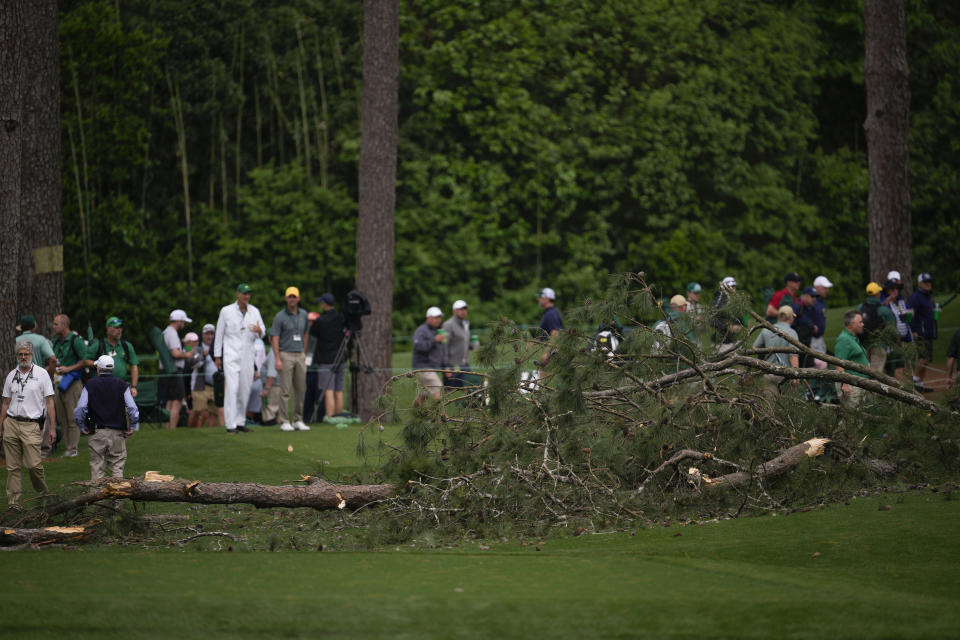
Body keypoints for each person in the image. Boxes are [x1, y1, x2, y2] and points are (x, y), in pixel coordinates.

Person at [1, 341, 55, 511]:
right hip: (11, 422)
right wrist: (1, 425)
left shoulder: (42, 374)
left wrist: (52, 427)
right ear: (16, 356)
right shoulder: (11, 375)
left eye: (26, 354)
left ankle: (44, 494)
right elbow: (5, 403)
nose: (23, 357)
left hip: (31, 425)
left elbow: (50, 402)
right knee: (13, 467)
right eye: (20, 354)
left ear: (32, 355)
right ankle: (14, 503)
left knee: (33, 465)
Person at [75, 355, 139, 480]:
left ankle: (97, 498)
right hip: (117, 432)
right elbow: (132, 408)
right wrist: (132, 425)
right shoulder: (122, 385)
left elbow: (81, 408)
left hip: (97, 431)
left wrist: (81, 425)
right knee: (117, 467)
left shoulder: (90, 385)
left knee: (97, 468)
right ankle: (117, 498)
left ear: (98, 368)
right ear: (113, 368)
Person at [214, 283, 266, 433]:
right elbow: (219, 334)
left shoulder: (255, 311)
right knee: (232, 388)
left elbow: (262, 331)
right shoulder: (226, 311)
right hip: (231, 355)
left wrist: (259, 330)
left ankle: (240, 422)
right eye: (244, 294)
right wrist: (218, 355)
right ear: (238, 294)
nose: (246, 297)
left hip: (248, 356)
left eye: (248, 294)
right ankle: (230, 425)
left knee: (245, 389)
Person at [50, 314, 91, 457]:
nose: (53, 327)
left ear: (64, 325)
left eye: (56, 324)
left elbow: (86, 360)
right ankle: (68, 447)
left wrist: (70, 368)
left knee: (72, 416)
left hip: (72, 383)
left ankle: (73, 448)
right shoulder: (56, 342)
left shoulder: (75, 340)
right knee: (61, 417)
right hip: (58, 382)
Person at [271, 286, 310, 431]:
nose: (292, 299)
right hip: (285, 354)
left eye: (294, 296)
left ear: (298, 298)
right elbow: (275, 337)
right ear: (286, 299)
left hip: (300, 354)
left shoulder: (304, 314)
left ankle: (298, 420)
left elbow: (306, 333)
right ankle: (284, 421)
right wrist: (277, 358)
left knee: (301, 389)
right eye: (290, 297)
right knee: (285, 389)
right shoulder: (280, 316)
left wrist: (303, 352)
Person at [309, 293, 346, 420]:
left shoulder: (321, 321)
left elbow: (313, 333)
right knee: (339, 390)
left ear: (325, 304)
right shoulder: (341, 318)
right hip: (340, 358)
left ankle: (330, 416)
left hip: (326, 359)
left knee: (328, 390)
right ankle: (339, 415)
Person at [752, 306, 800, 396]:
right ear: (790, 317)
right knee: (785, 406)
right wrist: (796, 376)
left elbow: (754, 348)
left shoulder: (766, 330)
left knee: (769, 406)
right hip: (786, 375)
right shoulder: (792, 333)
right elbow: (793, 356)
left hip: (768, 372)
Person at [159, 309, 193, 429]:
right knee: (177, 401)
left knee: (170, 401)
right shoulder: (172, 333)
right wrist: (187, 354)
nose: (184, 324)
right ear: (178, 321)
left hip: (166, 371)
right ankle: (172, 429)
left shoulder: (166, 332)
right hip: (174, 371)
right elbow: (175, 353)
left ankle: (167, 428)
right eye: (183, 321)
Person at [90, 317, 140, 397]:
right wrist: (99, 364)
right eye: (116, 327)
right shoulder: (99, 345)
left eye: (120, 327)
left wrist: (134, 387)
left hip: (121, 387)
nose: (119, 330)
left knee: (123, 409)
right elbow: (85, 361)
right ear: (108, 328)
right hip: (102, 387)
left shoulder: (126, 345)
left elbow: (134, 366)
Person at [907, 273, 938, 392]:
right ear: (919, 284)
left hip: (929, 332)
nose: (928, 284)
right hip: (920, 333)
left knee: (927, 359)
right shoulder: (915, 297)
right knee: (923, 358)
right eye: (926, 282)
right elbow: (910, 315)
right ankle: (914, 380)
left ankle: (920, 383)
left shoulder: (930, 296)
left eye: (929, 281)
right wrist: (913, 330)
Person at [412, 306, 449, 406]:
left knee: (423, 395)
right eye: (435, 317)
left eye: (439, 317)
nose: (438, 320)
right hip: (423, 368)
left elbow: (442, 350)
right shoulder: (421, 331)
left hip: (433, 368)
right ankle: (439, 418)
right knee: (439, 389)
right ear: (428, 318)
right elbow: (419, 346)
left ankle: (416, 415)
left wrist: (445, 366)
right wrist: (434, 340)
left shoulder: (440, 331)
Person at [833, 310, 871, 405]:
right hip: (851, 386)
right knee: (851, 417)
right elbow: (838, 364)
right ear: (851, 324)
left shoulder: (853, 338)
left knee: (859, 417)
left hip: (859, 384)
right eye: (860, 322)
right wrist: (845, 384)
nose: (862, 325)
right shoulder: (844, 339)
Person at [859, 282, 896, 373]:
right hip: (879, 346)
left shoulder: (860, 308)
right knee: (875, 375)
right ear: (877, 294)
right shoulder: (884, 311)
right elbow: (893, 330)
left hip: (862, 345)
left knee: (864, 373)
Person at [188, 324, 219, 427]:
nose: (209, 336)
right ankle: (190, 432)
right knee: (198, 411)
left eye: (212, 334)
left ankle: (211, 435)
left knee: (214, 413)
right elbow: (192, 364)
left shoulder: (218, 348)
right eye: (207, 334)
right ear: (202, 335)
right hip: (200, 385)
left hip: (215, 385)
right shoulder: (197, 348)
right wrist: (204, 356)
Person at [442, 299, 474, 389]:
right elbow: (443, 346)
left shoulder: (465, 324)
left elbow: (462, 342)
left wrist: (472, 346)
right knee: (447, 394)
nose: (463, 311)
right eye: (460, 309)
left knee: (471, 391)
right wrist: (446, 366)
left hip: (465, 365)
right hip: (452, 365)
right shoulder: (447, 325)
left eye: (465, 309)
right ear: (454, 311)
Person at [15, 315, 56, 379]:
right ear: (33, 326)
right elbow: (53, 359)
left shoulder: (15, 341)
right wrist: (51, 378)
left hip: (19, 380)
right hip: (38, 379)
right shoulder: (41, 340)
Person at [302, 311, 325, 423]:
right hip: (308, 369)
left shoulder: (322, 335)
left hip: (319, 368)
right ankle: (307, 419)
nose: (311, 324)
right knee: (308, 395)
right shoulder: (304, 334)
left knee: (320, 395)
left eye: (313, 321)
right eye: (309, 321)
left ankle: (320, 419)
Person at [711, 277, 743, 349]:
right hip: (721, 343)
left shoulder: (735, 301)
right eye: (731, 286)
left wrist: (740, 325)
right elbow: (711, 319)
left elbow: (741, 319)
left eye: (734, 286)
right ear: (724, 288)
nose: (734, 289)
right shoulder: (718, 301)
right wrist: (728, 327)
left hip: (735, 341)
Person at [536, 287, 563, 369]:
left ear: (547, 298)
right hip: (551, 351)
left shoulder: (551, 314)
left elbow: (555, 333)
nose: (538, 299)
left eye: (541, 296)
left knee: (544, 377)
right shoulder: (550, 312)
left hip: (552, 354)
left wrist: (547, 353)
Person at [810, 276, 833, 354]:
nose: (827, 290)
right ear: (817, 287)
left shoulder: (822, 301)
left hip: (820, 338)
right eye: (824, 288)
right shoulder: (811, 302)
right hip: (812, 339)